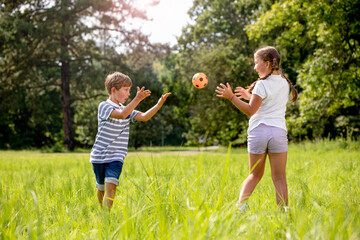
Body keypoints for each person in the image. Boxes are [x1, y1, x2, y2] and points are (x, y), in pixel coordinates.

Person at [215, 46, 298, 211]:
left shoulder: (261, 84)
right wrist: (249, 96)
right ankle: (284, 212)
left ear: (267, 64)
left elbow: (251, 111)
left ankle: (240, 208)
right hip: (278, 132)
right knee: (280, 178)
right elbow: (268, 103)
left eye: (256, 62)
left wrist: (232, 97)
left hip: (259, 132)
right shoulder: (284, 83)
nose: (254, 67)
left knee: (255, 175)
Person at [90, 72, 171, 210]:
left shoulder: (126, 109)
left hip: (116, 157)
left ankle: (105, 218)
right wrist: (137, 99)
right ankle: (102, 212)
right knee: (101, 188)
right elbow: (121, 115)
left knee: (111, 188)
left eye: (130, 90)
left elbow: (144, 116)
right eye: (126, 90)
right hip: (99, 156)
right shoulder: (104, 106)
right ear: (114, 90)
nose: (129, 94)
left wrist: (158, 105)